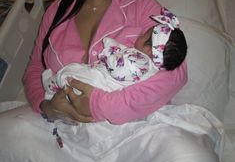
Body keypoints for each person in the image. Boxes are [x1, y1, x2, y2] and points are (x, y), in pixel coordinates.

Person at [0, 0, 222, 162]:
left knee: (194, 161)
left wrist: (99, 104)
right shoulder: (57, 10)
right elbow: (36, 66)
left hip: (125, 134)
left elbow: (176, 73)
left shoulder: (144, 7)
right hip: (62, 129)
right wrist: (46, 106)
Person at [42, 8, 188, 100]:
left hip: (100, 83)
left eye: (145, 34)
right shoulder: (147, 64)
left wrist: (110, 47)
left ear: (149, 49)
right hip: (100, 81)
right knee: (75, 71)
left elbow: (119, 70)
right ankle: (55, 89)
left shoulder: (142, 61)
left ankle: (51, 87)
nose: (141, 34)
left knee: (70, 72)